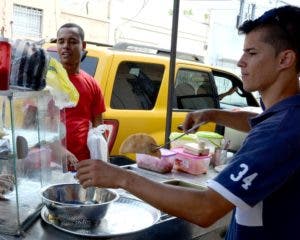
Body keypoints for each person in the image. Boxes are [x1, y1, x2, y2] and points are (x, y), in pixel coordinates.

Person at [76, 5, 300, 239]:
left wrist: (120, 177)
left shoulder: (281, 129)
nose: (240, 62)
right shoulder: (287, 114)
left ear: (285, 59)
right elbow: (260, 121)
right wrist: (211, 114)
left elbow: (205, 208)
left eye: (252, 53)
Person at [56, 23, 106, 170]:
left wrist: (100, 158)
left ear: (83, 45)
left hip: (81, 166)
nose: (66, 46)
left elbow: (99, 128)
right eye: (61, 41)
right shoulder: (45, 81)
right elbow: (31, 125)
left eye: (72, 42)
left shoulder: (92, 84)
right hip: (49, 166)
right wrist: (58, 150)